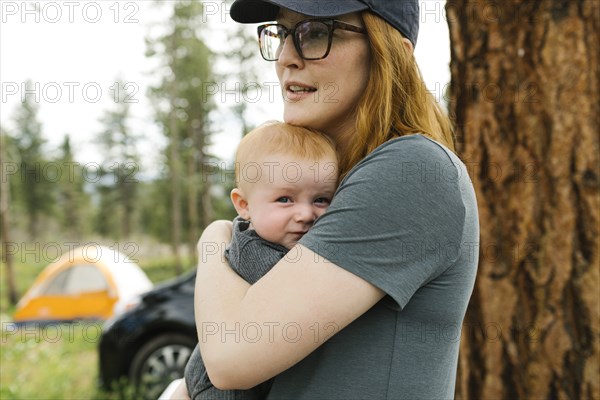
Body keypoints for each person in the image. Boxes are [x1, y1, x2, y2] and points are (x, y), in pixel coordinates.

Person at [174, 1, 479, 399]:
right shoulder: (342, 186)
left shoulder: (412, 170)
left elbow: (231, 355)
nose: (286, 58)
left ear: (393, 53)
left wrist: (213, 238)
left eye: (315, 33)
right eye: (282, 33)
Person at [183, 121, 338, 400]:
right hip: (220, 390)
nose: (305, 214)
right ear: (244, 205)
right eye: (285, 199)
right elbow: (296, 290)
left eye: (321, 199)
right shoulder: (251, 248)